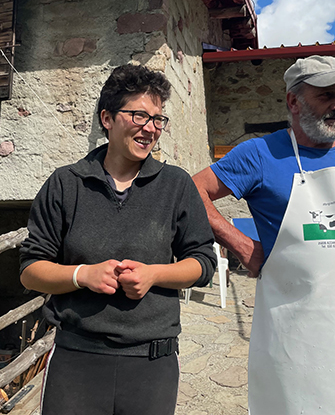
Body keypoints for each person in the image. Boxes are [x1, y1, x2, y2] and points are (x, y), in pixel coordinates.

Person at [193, 55, 335, 415]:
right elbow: (193, 191)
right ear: (294, 102)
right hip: (295, 336)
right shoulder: (260, 153)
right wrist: (240, 245)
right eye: (326, 95)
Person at [20, 64, 217, 415]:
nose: (150, 128)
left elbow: (203, 263)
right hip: (76, 359)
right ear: (107, 118)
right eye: (139, 115)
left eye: (158, 119)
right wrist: (82, 275)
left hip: (151, 362)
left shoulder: (176, 185)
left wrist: (154, 274)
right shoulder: (66, 184)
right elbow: (30, 271)